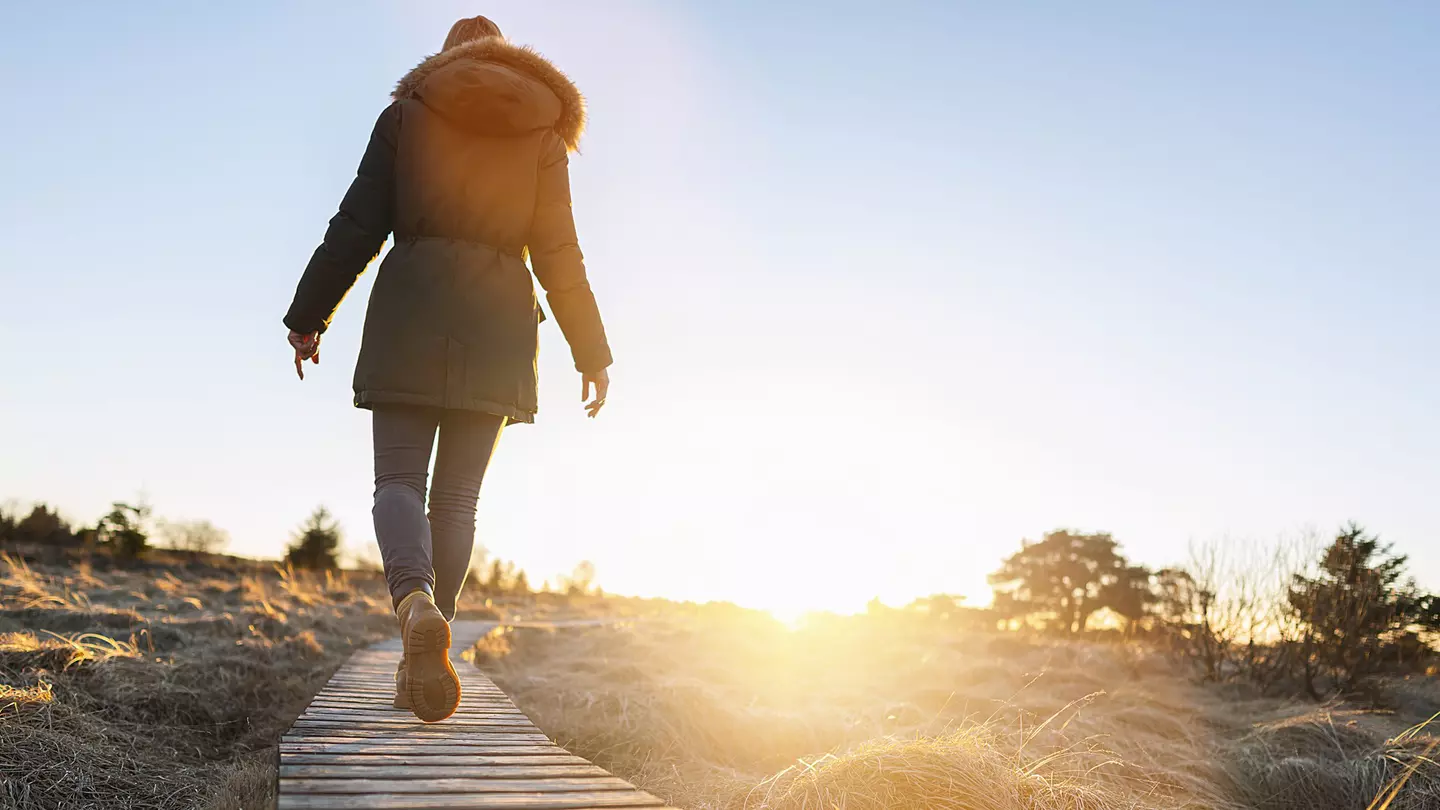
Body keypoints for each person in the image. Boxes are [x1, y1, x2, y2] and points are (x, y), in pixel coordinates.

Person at [282, 15, 612, 723]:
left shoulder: (408, 113)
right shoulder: (544, 134)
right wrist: (592, 353)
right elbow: (560, 254)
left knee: (398, 480)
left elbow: (355, 226)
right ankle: (426, 647)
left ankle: (413, 607)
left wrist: (308, 314)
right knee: (457, 501)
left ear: (446, 57)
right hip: (497, 323)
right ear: (510, 57)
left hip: (412, 308)